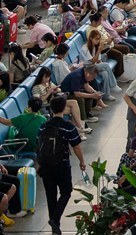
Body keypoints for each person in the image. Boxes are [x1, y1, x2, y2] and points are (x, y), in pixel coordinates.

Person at [37, 94, 86, 235]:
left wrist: (40, 163)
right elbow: (76, 146)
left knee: (50, 195)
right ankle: (55, 219)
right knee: (66, 192)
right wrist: (82, 161)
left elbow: (38, 146)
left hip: (46, 166)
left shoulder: (43, 127)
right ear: (64, 108)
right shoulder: (68, 127)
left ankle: (55, 226)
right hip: (62, 165)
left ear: (51, 109)